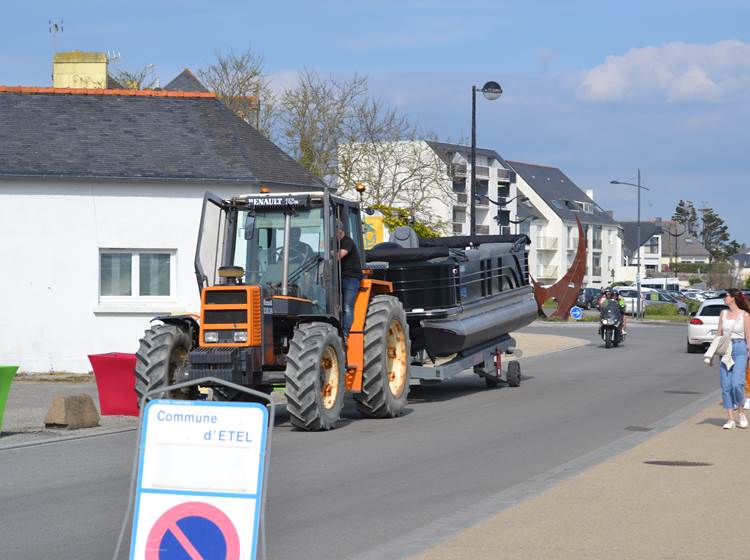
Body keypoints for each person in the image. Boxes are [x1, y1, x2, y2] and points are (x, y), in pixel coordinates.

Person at [710, 289, 750, 429]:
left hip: (740, 350)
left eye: (726, 296)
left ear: (733, 298)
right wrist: (712, 355)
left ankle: (740, 412)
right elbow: (719, 334)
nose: (724, 298)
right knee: (726, 386)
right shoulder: (723, 313)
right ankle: (730, 419)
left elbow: (748, 338)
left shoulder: (744, 315)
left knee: (736, 384)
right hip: (725, 351)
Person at [337, 220, 362, 336]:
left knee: (347, 306)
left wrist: (327, 255)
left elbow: (340, 255)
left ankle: (345, 333)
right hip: (336, 277)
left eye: (335, 231)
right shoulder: (333, 242)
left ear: (341, 230)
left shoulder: (348, 241)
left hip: (351, 278)